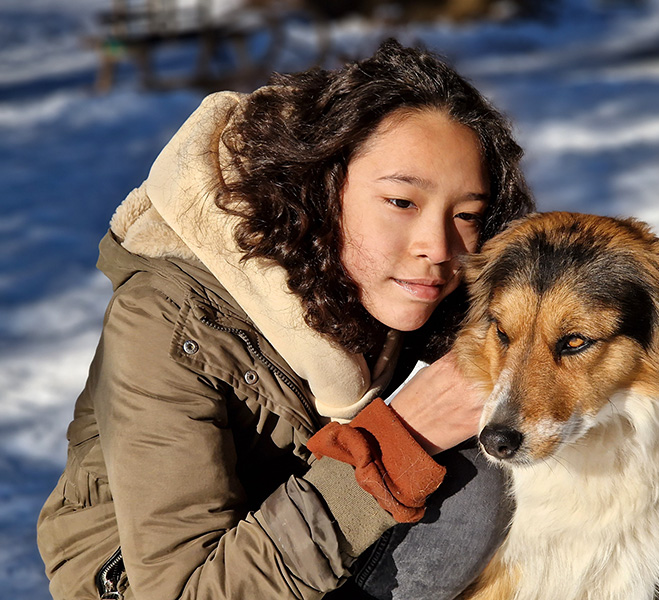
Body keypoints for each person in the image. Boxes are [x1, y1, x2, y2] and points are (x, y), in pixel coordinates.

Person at [37, 40, 534, 600]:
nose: (438, 247)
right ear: (320, 185)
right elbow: (182, 592)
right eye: (401, 202)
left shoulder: (420, 293)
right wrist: (400, 442)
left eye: (467, 215)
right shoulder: (166, 321)